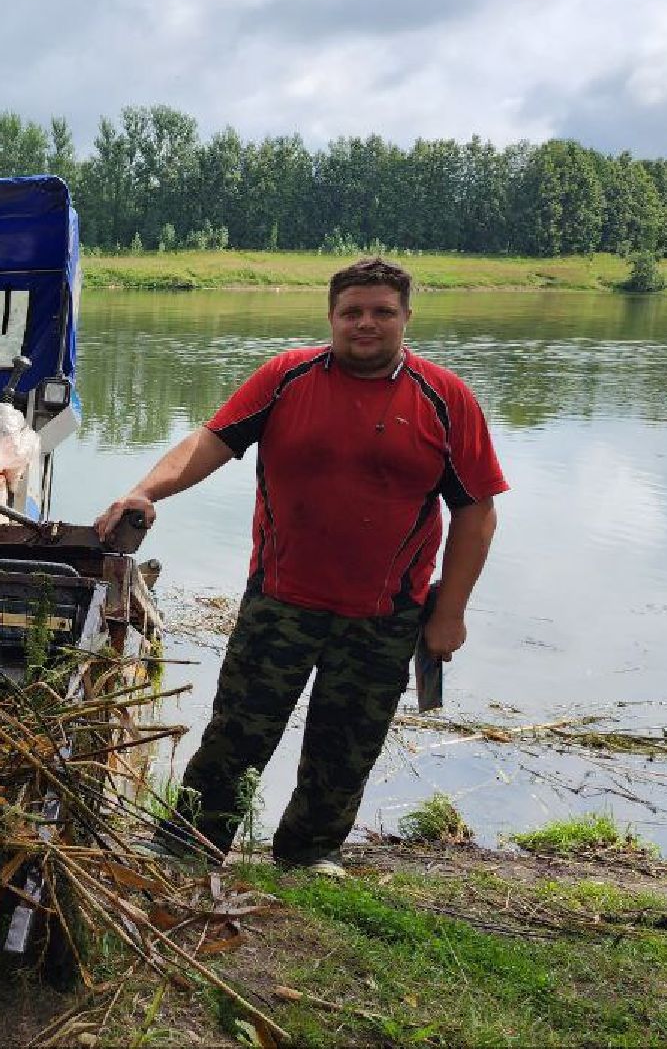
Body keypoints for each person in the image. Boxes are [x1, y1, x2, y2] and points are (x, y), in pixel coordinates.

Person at [95, 257, 505, 878]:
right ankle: (187, 845)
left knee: (347, 744)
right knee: (237, 731)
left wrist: (451, 615)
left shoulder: (445, 399)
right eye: (352, 312)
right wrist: (145, 490)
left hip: (386, 613)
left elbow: (475, 514)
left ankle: (307, 853)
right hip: (282, 599)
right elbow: (211, 442)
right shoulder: (287, 377)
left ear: (406, 318)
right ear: (332, 317)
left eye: (382, 312)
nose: (365, 324)